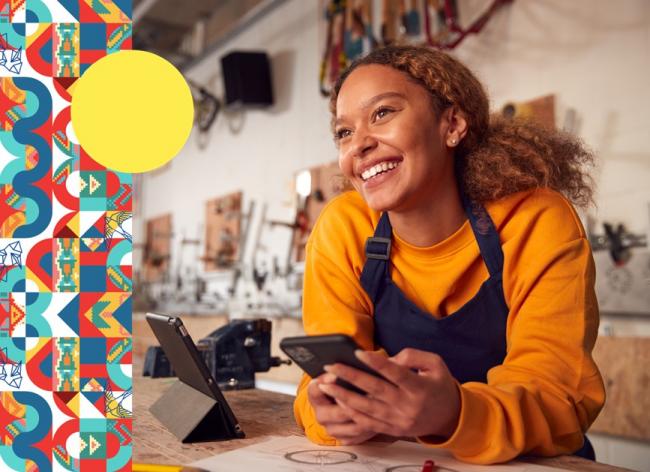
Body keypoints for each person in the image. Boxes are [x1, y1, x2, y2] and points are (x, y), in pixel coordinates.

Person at [293, 45, 605, 464]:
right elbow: (318, 383)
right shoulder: (343, 227)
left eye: (383, 113)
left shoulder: (533, 220)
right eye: (344, 132)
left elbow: (559, 397)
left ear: (453, 124)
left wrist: (454, 413)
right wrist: (327, 410)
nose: (359, 145)